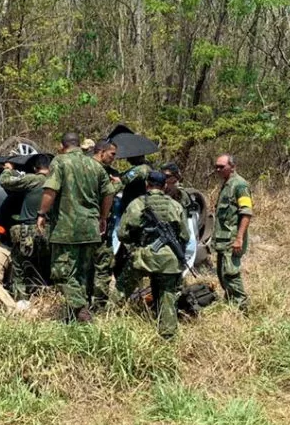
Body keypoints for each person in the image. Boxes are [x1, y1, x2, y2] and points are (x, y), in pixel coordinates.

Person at [36, 132, 115, 322]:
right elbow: (109, 193)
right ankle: (74, 319)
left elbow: (51, 189)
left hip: (67, 228)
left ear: (62, 146)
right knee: (81, 275)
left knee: (61, 272)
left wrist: (42, 213)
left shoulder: (60, 161)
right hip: (90, 229)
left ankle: (81, 311)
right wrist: (103, 217)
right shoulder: (95, 165)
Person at [115, 171, 190, 338]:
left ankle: (110, 322)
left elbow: (122, 233)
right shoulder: (175, 205)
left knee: (121, 290)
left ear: (147, 185)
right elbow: (185, 235)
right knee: (167, 296)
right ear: (164, 186)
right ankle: (168, 334)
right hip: (169, 260)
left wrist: (137, 239)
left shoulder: (137, 204)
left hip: (143, 257)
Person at [0, 154, 52, 300]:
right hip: (49, 231)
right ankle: (45, 297)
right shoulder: (56, 181)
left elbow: (5, 182)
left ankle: (21, 300)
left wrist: (8, 169)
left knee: (20, 267)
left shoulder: (33, 179)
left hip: (28, 230)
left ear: (35, 168)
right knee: (44, 266)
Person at [212, 154, 253, 311]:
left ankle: (242, 307)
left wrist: (239, 238)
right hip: (223, 239)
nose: (218, 170)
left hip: (232, 239)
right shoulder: (227, 185)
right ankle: (230, 306)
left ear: (232, 166)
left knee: (231, 274)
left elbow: (246, 213)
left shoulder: (240, 185)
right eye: (216, 166)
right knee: (222, 275)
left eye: (221, 167)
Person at [89, 140, 118, 309]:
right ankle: (99, 305)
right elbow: (107, 194)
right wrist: (118, 184)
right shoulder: (99, 171)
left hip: (83, 225)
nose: (114, 158)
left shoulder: (82, 167)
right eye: (112, 154)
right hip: (98, 226)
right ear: (101, 152)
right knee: (103, 265)